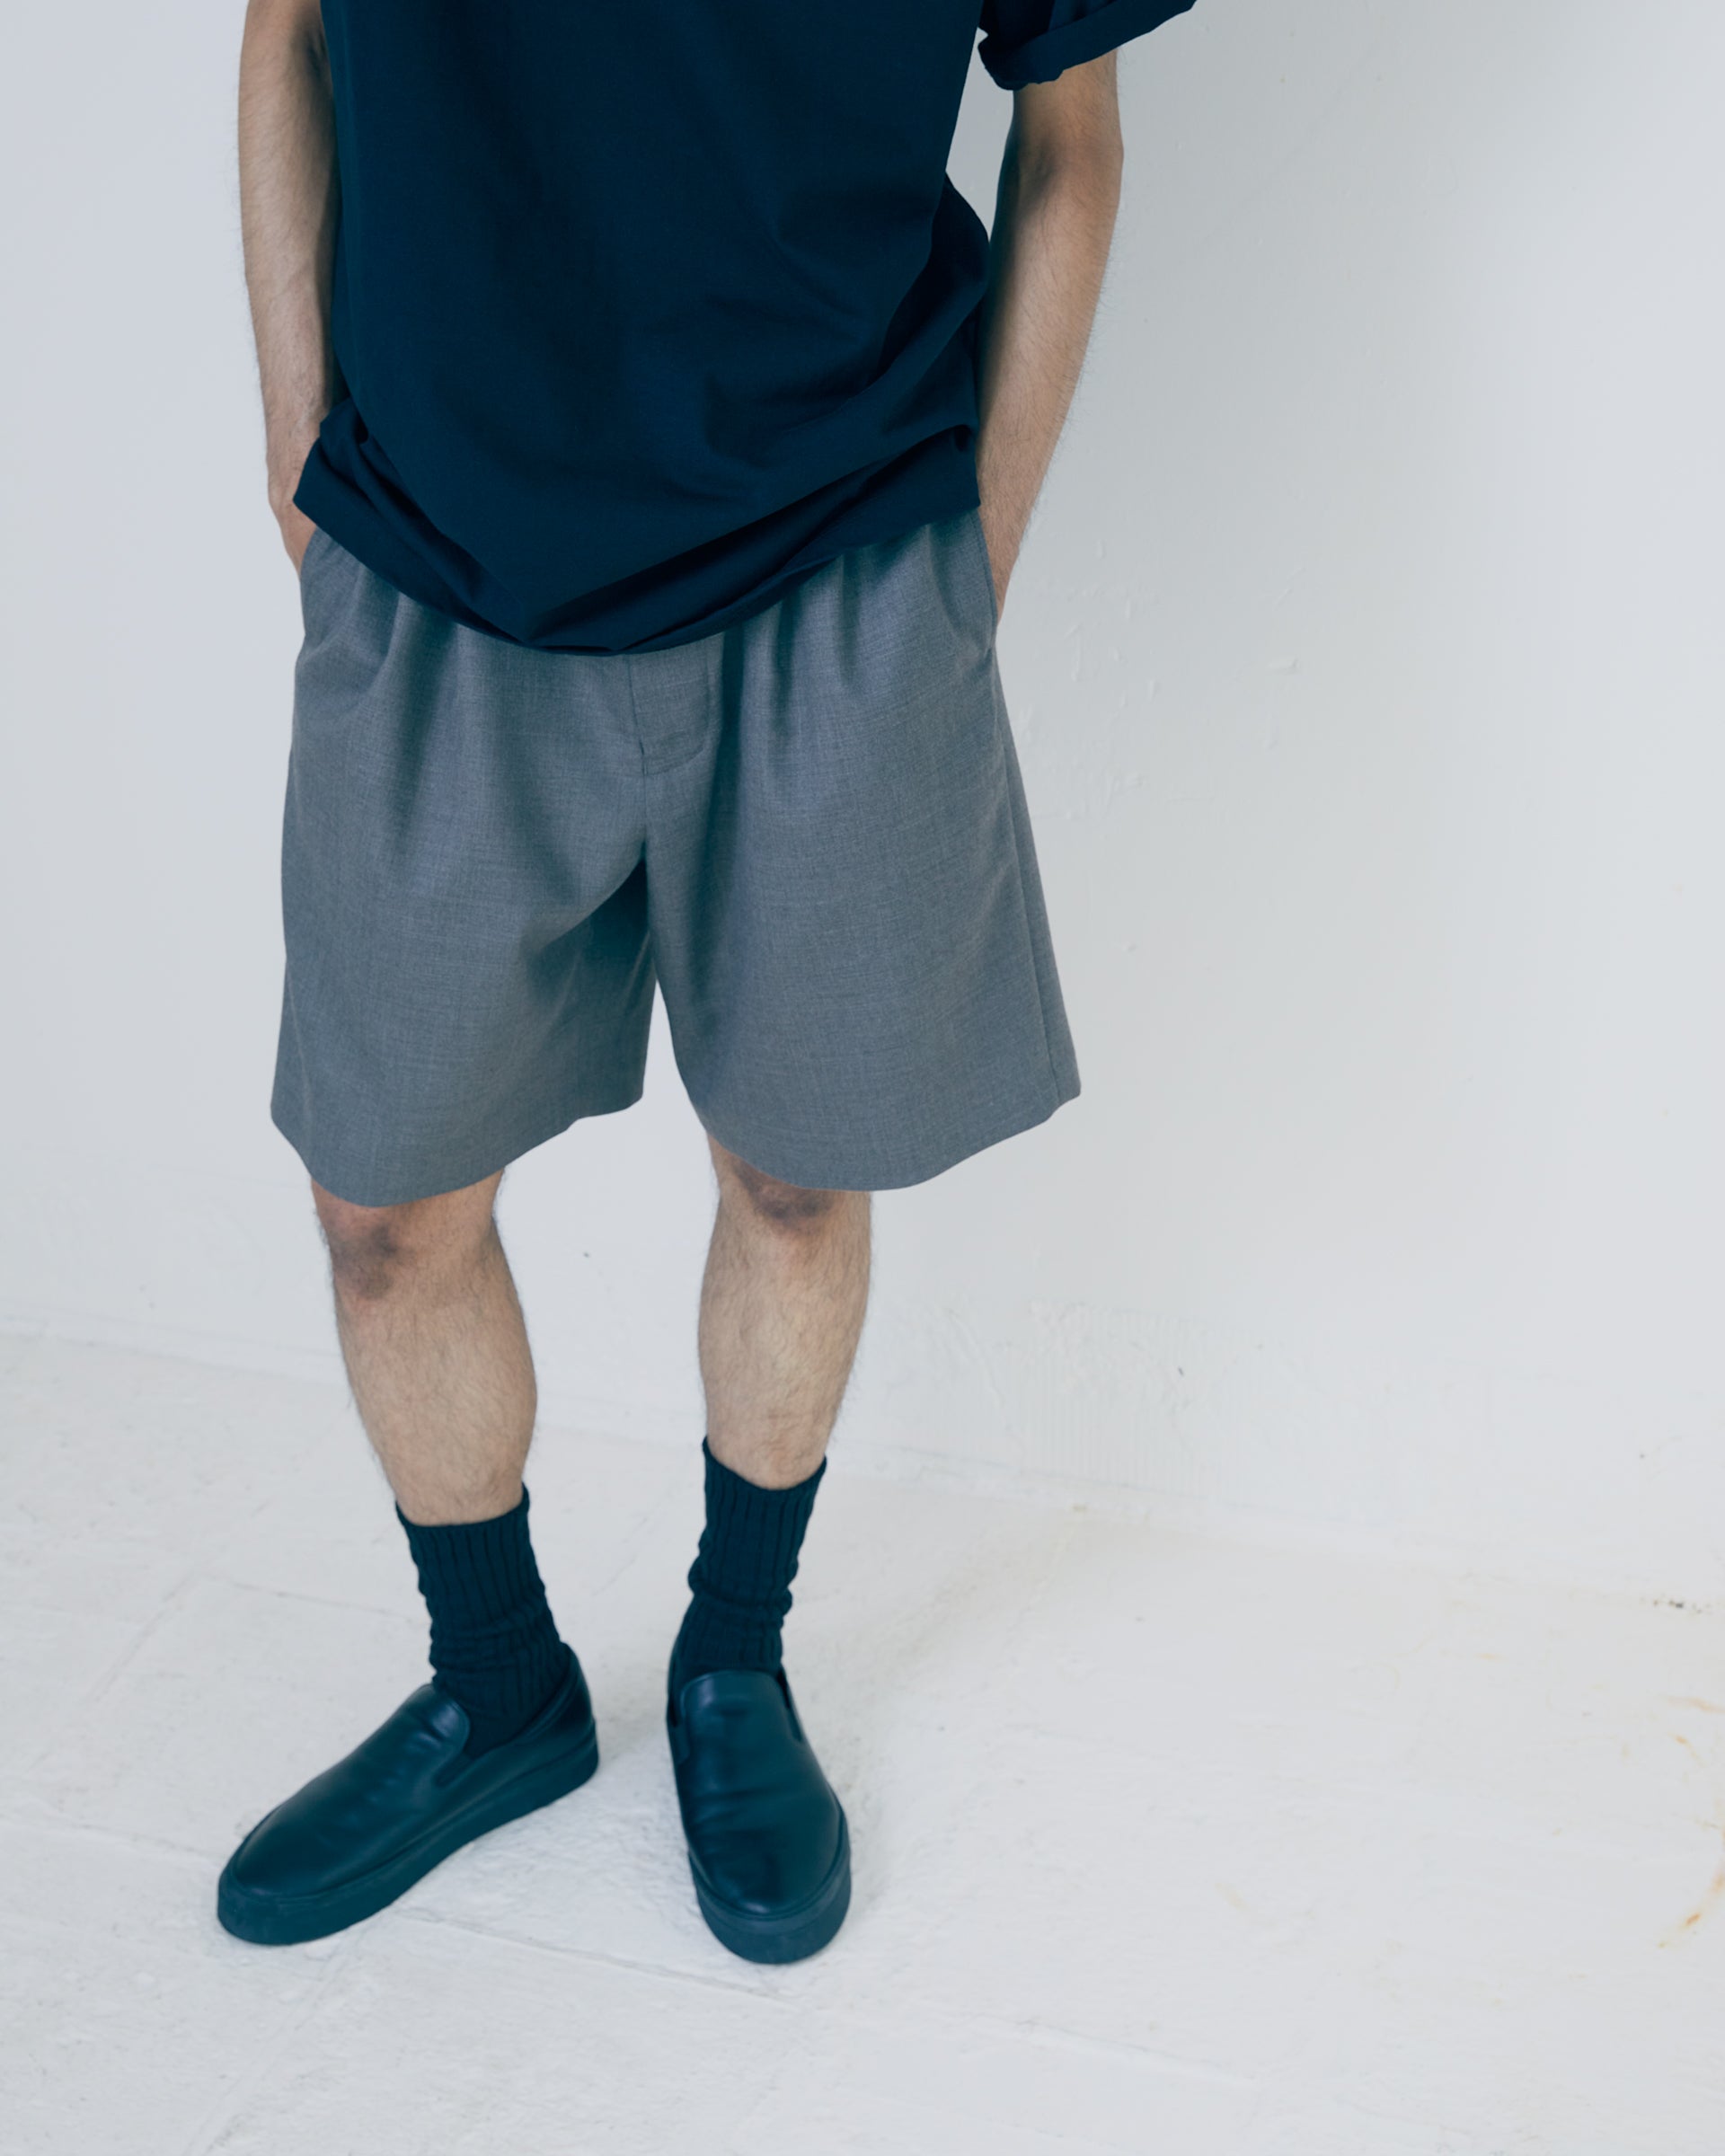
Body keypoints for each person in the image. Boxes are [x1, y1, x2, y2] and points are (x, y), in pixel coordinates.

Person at [219, 0, 1196, 1966]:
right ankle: (497, 1683)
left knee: (795, 1177)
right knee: (386, 1217)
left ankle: (735, 1657)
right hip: (433, 542)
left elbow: (1073, 139)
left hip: (842, 542)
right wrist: (293, 443)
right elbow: (285, 26)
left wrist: (967, 571)